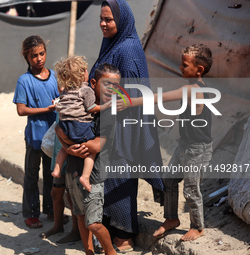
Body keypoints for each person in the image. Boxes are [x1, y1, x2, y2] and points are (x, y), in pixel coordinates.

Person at [88, 0, 164, 252]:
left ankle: (124, 238)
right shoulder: (112, 43)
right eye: (101, 18)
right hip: (108, 126)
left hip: (123, 129)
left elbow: (131, 95)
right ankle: (108, 233)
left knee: (119, 178)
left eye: (109, 19)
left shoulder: (128, 49)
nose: (103, 23)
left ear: (121, 21)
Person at [139, 44, 213, 241]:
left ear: (199, 70)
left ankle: (197, 227)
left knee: (191, 190)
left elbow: (160, 98)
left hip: (197, 150)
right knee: (169, 180)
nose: (180, 67)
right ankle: (171, 219)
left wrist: (130, 102)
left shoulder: (194, 90)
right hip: (185, 145)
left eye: (184, 64)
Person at [57, 63, 121, 255]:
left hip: (93, 177)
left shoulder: (109, 112)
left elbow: (97, 145)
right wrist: (67, 146)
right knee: (80, 215)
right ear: (93, 83)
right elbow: (59, 129)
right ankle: (89, 251)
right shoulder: (80, 103)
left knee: (93, 223)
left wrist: (71, 147)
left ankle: (111, 252)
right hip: (73, 172)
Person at [13, 35, 59, 229]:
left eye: (42, 53)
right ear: (27, 57)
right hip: (34, 136)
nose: (39, 58)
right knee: (32, 175)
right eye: (34, 55)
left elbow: (62, 97)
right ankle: (31, 214)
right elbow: (21, 110)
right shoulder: (24, 81)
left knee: (51, 175)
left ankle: (50, 210)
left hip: (54, 136)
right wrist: (47, 109)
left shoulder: (55, 76)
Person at [52, 55, 109, 192]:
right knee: (91, 153)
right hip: (80, 127)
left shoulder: (65, 91)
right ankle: (85, 176)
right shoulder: (86, 90)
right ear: (83, 73)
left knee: (63, 149)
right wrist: (105, 107)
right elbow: (91, 108)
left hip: (64, 126)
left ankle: (57, 169)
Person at [40, 113, 81, 243]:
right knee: (56, 193)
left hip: (70, 158)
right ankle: (58, 226)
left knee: (71, 196)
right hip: (59, 157)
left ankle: (75, 231)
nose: (61, 90)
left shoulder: (75, 104)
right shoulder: (62, 103)